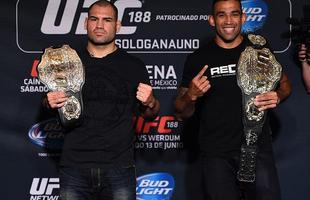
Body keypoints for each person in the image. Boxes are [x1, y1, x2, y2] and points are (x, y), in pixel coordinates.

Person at [174, 0, 291, 199]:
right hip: (216, 154)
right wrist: (190, 96)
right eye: (221, 15)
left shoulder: (259, 49)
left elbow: (286, 85)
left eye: (234, 14)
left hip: (257, 148)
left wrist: (277, 96)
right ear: (212, 20)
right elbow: (180, 112)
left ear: (243, 18)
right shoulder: (198, 58)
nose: (229, 21)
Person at [44, 1, 160, 200]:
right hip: (74, 165)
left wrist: (150, 102)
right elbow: (47, 104)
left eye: (107, 20)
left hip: (119, 167)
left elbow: (150, 114)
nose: (99, 25)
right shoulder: (66, 62)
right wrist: (49, 102)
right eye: (94, 19)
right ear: (85, 23)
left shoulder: (133, 66)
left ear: (118, 25)